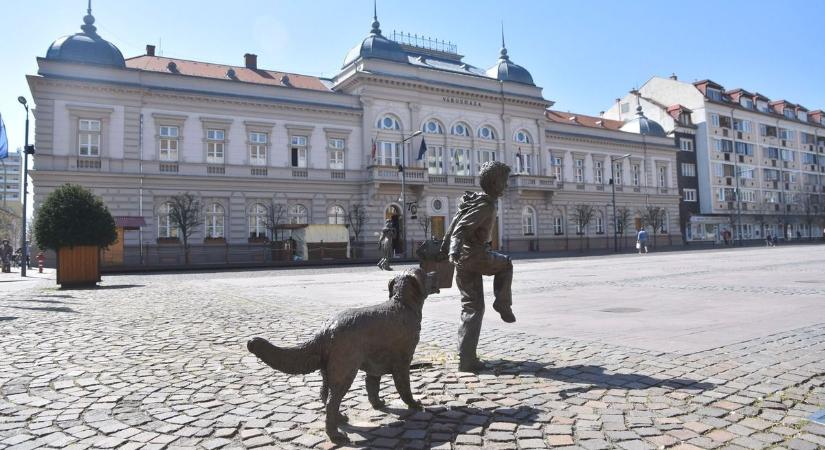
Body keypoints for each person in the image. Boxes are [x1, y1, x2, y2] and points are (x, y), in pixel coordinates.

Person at [440, 161, 514, 372]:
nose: (506, 186)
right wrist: (453, 249)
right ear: (494, 182)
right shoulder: (485, 205)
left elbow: (457, 228)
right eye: (504, 182)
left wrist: (454, 252)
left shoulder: (475, 202)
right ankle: (502, 303)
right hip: (475, 255)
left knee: (472, 307)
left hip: (464, 260)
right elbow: (460, 229)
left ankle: (467, 359)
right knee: (506, 264)